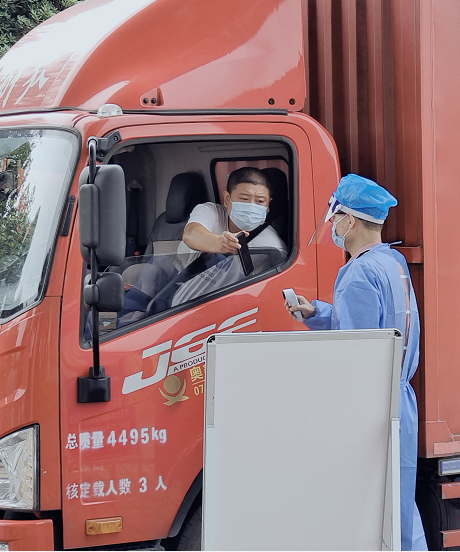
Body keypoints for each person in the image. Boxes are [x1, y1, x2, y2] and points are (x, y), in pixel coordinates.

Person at [285, 174, 427, 551]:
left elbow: (355, 350)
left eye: (335, 217)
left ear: (349, 219)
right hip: (398, 397)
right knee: (398, 502)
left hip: (372, 404)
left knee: (374, 507)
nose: (332, 225)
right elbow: (376, 326)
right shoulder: (392, 261)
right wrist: (317, 312)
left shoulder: (358, 272)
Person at [171, 167, 287, 305]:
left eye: (260, 201)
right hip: (176, 291)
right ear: (227, 198)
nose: (251, 207)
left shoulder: (272, 248)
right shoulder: (212, 212)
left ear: (268, 207)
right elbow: (191, 234)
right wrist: (218, 243)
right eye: (244, 199)